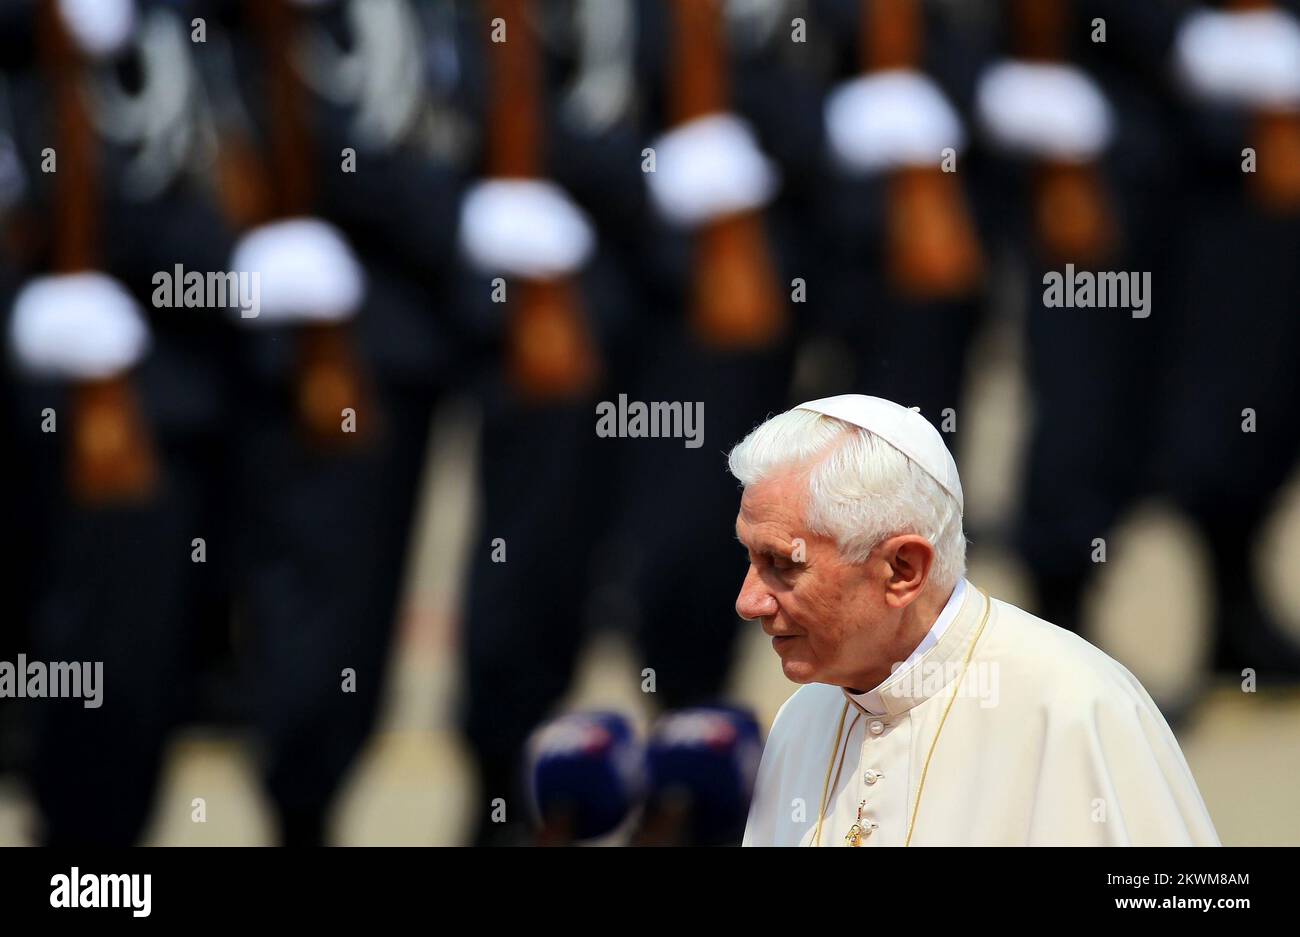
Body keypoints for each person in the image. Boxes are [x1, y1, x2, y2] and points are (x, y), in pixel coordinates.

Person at [732, 394, 1219, 846]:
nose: (748, 601)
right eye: (750, 559)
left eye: (783, 564)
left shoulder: (1074, 707)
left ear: (903, 570)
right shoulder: (802, 720)